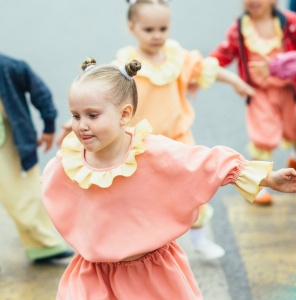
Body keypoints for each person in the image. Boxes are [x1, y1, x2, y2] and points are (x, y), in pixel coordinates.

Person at [42, 58, 296, 300]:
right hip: (93, 276)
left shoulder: (152, 152)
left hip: (151, 275)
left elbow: (209, 164)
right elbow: (56, 192)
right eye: (76, 115)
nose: (81, 125)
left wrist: (268, 178)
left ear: (124, 114)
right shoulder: (71, 161)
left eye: (92, 115)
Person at [56, 0, 255, 260]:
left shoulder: (176, 57)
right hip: (142, 144)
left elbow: (205, 68)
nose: (157, 35)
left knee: (192, 188)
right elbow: (98, 98)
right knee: (145, 195)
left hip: (179, 138)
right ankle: (146, 242)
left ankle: (198, 236)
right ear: (132, 28)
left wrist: (236, 81)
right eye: (149, 29)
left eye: (163, 28)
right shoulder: (125, 65)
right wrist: (72, 123)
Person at [209, 0, 296, 205]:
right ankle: (260, 181)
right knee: (262, 137)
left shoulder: (290, 23)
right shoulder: (240, 29)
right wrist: (211, 71)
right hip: (259, 92)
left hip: (289, 88)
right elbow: (220, 56)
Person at [0, 53, 74, 263]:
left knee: (25, 196)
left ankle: (42, 244)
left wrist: (49, 126)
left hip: (9, 141)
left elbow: (40, 93)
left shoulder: (10, 67)